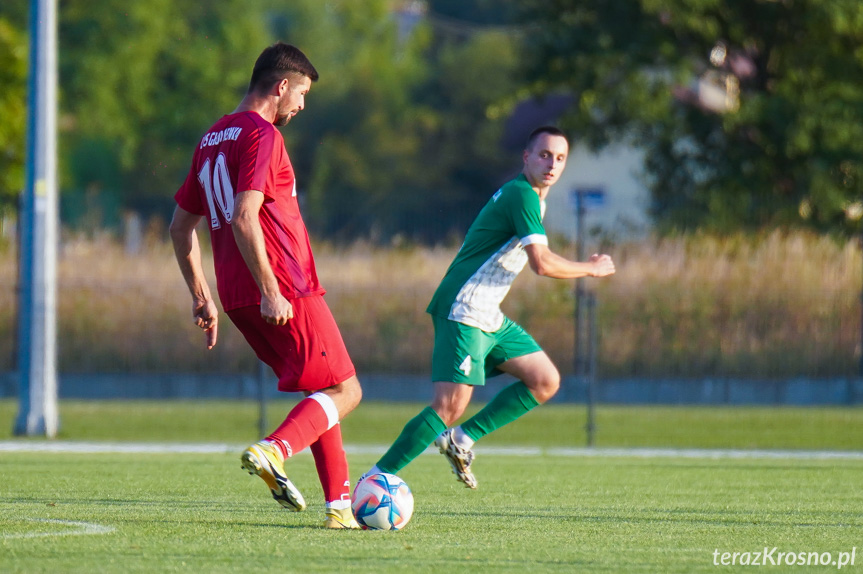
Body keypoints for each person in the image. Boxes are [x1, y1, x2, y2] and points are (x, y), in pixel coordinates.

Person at [169, 42, 362, 529]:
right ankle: (275, 450)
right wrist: (273, 290)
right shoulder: (262, 135)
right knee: (347, 390)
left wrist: (201, 296)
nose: (301, 106)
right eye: (301, 94)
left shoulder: (212, 136)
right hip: (284, 287)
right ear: (281, 87)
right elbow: (243, 215)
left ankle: (339, 509)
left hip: (236, 295)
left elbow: (179, 228)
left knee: (319, 392)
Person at [362, 126, 615, 489]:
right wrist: (590, 268)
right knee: (448, 406)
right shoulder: (521, 195)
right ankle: (374, 480)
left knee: (544, 380)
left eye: (560, 158)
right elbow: (541, 263)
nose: (552, 164)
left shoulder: (532, 197)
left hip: (487, 313)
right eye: (544, 155)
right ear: (526, 157)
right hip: (464, 306)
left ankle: (461, 440)